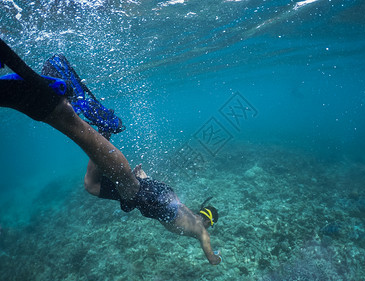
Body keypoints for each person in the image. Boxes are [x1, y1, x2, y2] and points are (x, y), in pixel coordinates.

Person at [0, 38, 222, 265]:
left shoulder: (192, 215)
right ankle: (102, 126)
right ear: (210, 222)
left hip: (160, 198)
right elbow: (208, 251)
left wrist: (147, 180)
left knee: (92, 185)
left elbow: (171, 199)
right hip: (157, 203)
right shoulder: (201, 231)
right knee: (127, 181)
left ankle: (101, 129)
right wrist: (216, 258)